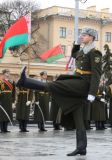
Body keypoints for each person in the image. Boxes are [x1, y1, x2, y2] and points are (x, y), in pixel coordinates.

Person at [17, 27, 102, 156]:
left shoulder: (95, 53)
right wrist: (77, 44)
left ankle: (25, 81)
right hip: (77, 80)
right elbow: (74, 55)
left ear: (91, 37)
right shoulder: (83, 51)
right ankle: (81, 147)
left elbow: (96, 74)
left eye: (85, 35)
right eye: (82, 35)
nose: (82, 36)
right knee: (78, 117)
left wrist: (92, 93)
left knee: (55, 85)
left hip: (83, 83)